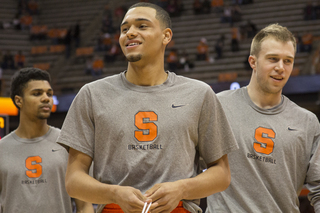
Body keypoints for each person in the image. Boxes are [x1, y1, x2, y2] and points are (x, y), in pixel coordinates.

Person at [57, 3, 238, 213]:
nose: (130, 33)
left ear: (166, 36)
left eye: (142, 26)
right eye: (124, 29)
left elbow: (222, 174)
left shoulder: (199, 94)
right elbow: (73, 180)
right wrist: (114, 193)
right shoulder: (91, 95)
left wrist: (181, 189)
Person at [207, 23, 320, 213]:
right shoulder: (217, 106)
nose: (280, 68)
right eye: (273, 59)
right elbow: (188, 166)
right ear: (253, 61)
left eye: (288, 61)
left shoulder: (307, 123)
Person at [0, 67, 94, 213]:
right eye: (37, 94)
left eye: (49, 93)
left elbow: (84, 205)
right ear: (19, 101)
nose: (46, 98)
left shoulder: (69, 143)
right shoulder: (2, 149)